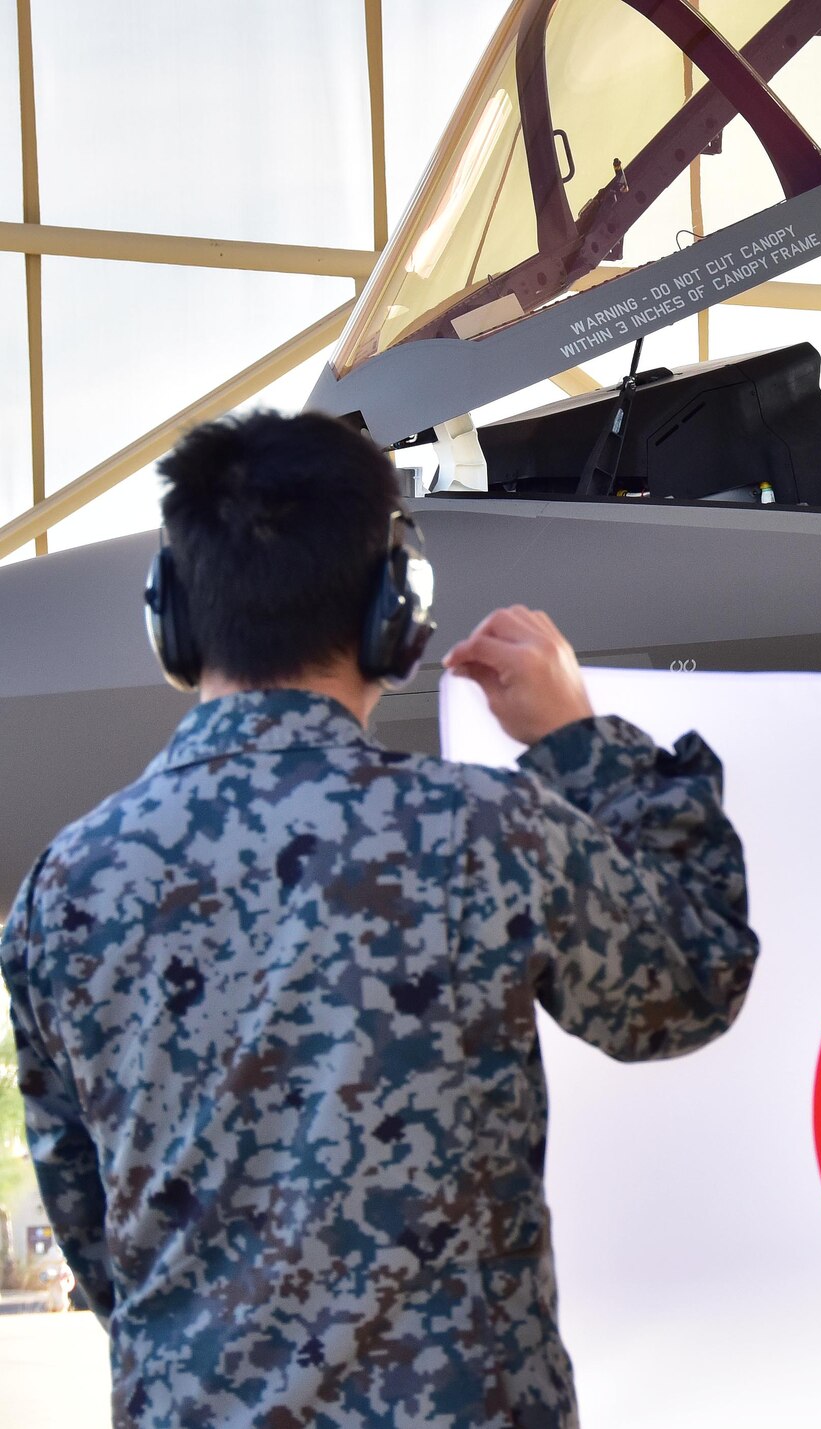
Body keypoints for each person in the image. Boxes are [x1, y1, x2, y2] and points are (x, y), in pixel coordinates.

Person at [0, 411, 758, 1427]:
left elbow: (92, 1225)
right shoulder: (485, 832)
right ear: (394, 615)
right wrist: (578, 744)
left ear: (170, 618)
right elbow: (691, 984)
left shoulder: (67, 886)